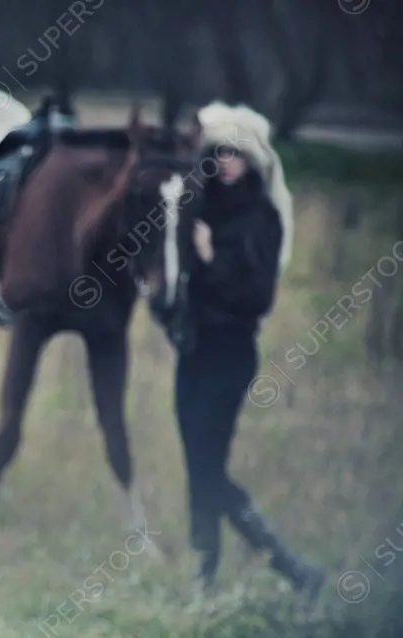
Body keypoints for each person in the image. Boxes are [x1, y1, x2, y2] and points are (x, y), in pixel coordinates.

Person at [173, 102, 323, 600]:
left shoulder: (263, 217)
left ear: (253, 159)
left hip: (231, 352)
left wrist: (213, 259)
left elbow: (257, 296)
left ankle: (287, 567)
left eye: (236, 154)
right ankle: (208, 573)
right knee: (197, 462)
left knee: (208, 464)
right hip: (193, 349)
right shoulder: (198, 207)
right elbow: (179, 284)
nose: (228, 163)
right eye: (220, 153)